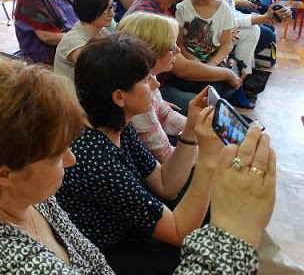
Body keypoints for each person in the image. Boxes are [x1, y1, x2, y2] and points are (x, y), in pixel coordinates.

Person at [0, 56, 274, 275]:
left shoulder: (13, 194)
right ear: (5, 173)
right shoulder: (13, 265)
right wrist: (233, 234)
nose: (72, 159)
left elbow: (89, 257)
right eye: (57, 155)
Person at [57, 34, 226, 274]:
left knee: (214, 205)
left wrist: (190, 129)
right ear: (119, 96)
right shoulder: (96, 159)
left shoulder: (115, 123)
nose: (156, 84)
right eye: (146, 79)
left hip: (129, 228)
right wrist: (209, 159)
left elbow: (165, 185)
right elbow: (179, 232)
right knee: (206, 252)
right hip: (109, 254)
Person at [124, 0, 243, 114]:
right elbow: (183, 69)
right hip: (153, 85)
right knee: (206, 107)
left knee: (225, 80)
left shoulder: (163, 3)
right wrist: (227, 74)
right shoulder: (149, 16)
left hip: (168, 75)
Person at [175, 0, 255, 108]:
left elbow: (226, 44)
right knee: (189, 86)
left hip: (216, 63)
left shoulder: (224, 8)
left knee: (217, 88)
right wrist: (193, 60)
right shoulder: (182, 8)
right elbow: (179, 42)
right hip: (191, 64)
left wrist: (213, 64)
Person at [117, 13, 186, 163]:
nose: (178, 51)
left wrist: (196, 127)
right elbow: (165, 156)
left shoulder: (149, 76)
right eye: (171, 47)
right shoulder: (137, 97)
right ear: (151, 54)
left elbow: (166, 115)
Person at [53, 0, 114, 81]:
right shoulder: (74, 42)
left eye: (112, 7)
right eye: (107, 9)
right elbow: (100, 70)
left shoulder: (101, 31)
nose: (112, 13)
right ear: (92, 11)